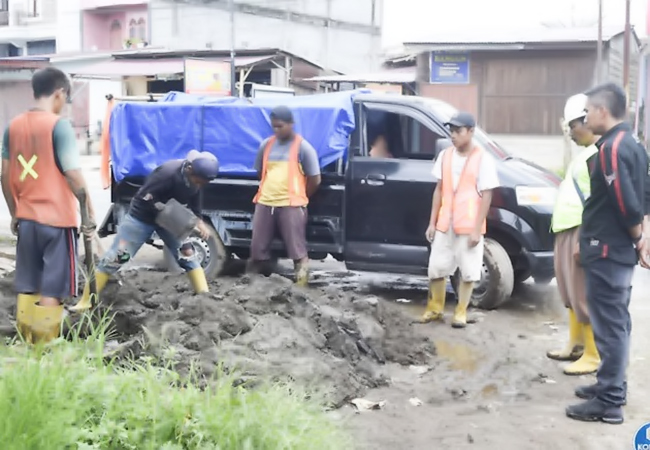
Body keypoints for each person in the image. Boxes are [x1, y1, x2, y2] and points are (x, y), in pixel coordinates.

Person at [566, 82, 650, 424]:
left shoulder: (611, 149)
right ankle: (610, 385)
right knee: (617, 322)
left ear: (602, 111)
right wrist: (643, 236)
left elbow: (627, 204)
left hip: (607, 251)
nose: (584, 118)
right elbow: (645, 196)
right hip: (614, 249)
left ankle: (610, 401)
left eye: (587, 111)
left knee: (610, 325)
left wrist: (638, 235)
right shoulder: (634, 144)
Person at [0, 67, 95, 344]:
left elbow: (4, 175)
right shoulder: (58, 125)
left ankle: (27, 343)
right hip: (57, 221)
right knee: (53, 287)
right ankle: (44, 350)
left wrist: (15, 211)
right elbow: (73, 174)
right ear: (59, 93)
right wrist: (89, 212)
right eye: (66, 99)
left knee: (28, 284)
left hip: (27, 219)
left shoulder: (13, 126)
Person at [70, 150, 219, 312]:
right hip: (141, 218)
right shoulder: (167, 174)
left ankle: (204, 297)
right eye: (198, 180)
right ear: (190, 169)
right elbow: (145, 197)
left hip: (169, 219)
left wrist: (199, 221)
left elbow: (195, 202)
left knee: (188, 254)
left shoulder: (196, 182)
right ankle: (85, 301)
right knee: (118, 257)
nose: (199, 185)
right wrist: (165, 209)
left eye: (203, 183)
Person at [421, 112, 500, 328]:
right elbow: (438, 190)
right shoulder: (446, 155)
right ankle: (435, 309)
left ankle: (461, 312)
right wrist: (432, 222)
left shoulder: (483, 159)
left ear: (471, 132)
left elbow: (487, 195)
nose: (453, 136)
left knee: (469, 271)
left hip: (468, 225)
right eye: (451, 131)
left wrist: (477, 229)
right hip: (445, 223)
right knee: (436, 268)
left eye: (458, 131)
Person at [546, 93, 601, 376]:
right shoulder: (584, 154)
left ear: (587, 120)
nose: (570, 133)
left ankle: (592, 353)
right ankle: (575, 344)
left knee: (582, 293)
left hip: (580, 229)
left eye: (573, 126)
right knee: (568, 290)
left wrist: (586, 237)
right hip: (566, 226)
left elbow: (597, 203)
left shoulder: (598, 155)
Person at [248, 105, 321, 286]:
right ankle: (254, 288)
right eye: (274, 126)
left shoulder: (303, 148)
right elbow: (261, 172)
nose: (276, 130)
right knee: (257, 250)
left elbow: (315, 179)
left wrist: (300, 197)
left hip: (292, 205)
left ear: (291, 124)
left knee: (297, 251)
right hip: (265, 202)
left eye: (280, 126)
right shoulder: (266, 145)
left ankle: (301, 287)